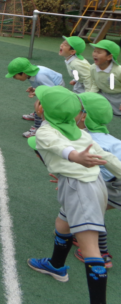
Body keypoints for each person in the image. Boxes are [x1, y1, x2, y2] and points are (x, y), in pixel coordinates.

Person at [26, 86, 121, 304]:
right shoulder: (80, 132)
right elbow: (107, 157)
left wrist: (75, 157)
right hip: (91, 184)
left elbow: (58, 146)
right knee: (62, 224)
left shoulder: (45, 131)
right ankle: (56, 266)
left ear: (41, 108)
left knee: (90, 249)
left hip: (80, 188)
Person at [74, 92, 117, 269]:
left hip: (115, 184)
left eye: (74, 110)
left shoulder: (88, 140)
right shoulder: (107, 138)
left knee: (92, 212)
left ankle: (102, 254)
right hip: (114, 182)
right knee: (94, 210)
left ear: (84, 117)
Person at [6, 57, 64, 137]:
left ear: (23, 73)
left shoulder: (40, 76)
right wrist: (34, 89)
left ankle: (37, 128)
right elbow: (42, 85)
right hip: (51, 88)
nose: (14, 78)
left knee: (39, 105)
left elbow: (51, 90)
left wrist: (37, 91)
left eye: (14, 75)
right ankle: (38, 115)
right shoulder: (31, 73)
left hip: (57, 89)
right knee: (39, 104)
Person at [86, 40, 121, 116]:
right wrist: (88, 95)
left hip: (118, 96)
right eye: (95, 51)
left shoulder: (118, 70)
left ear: (109, 57)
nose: (95, 54)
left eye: (99, 52)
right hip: (104, 94)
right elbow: (95, 83)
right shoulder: (93, 68)